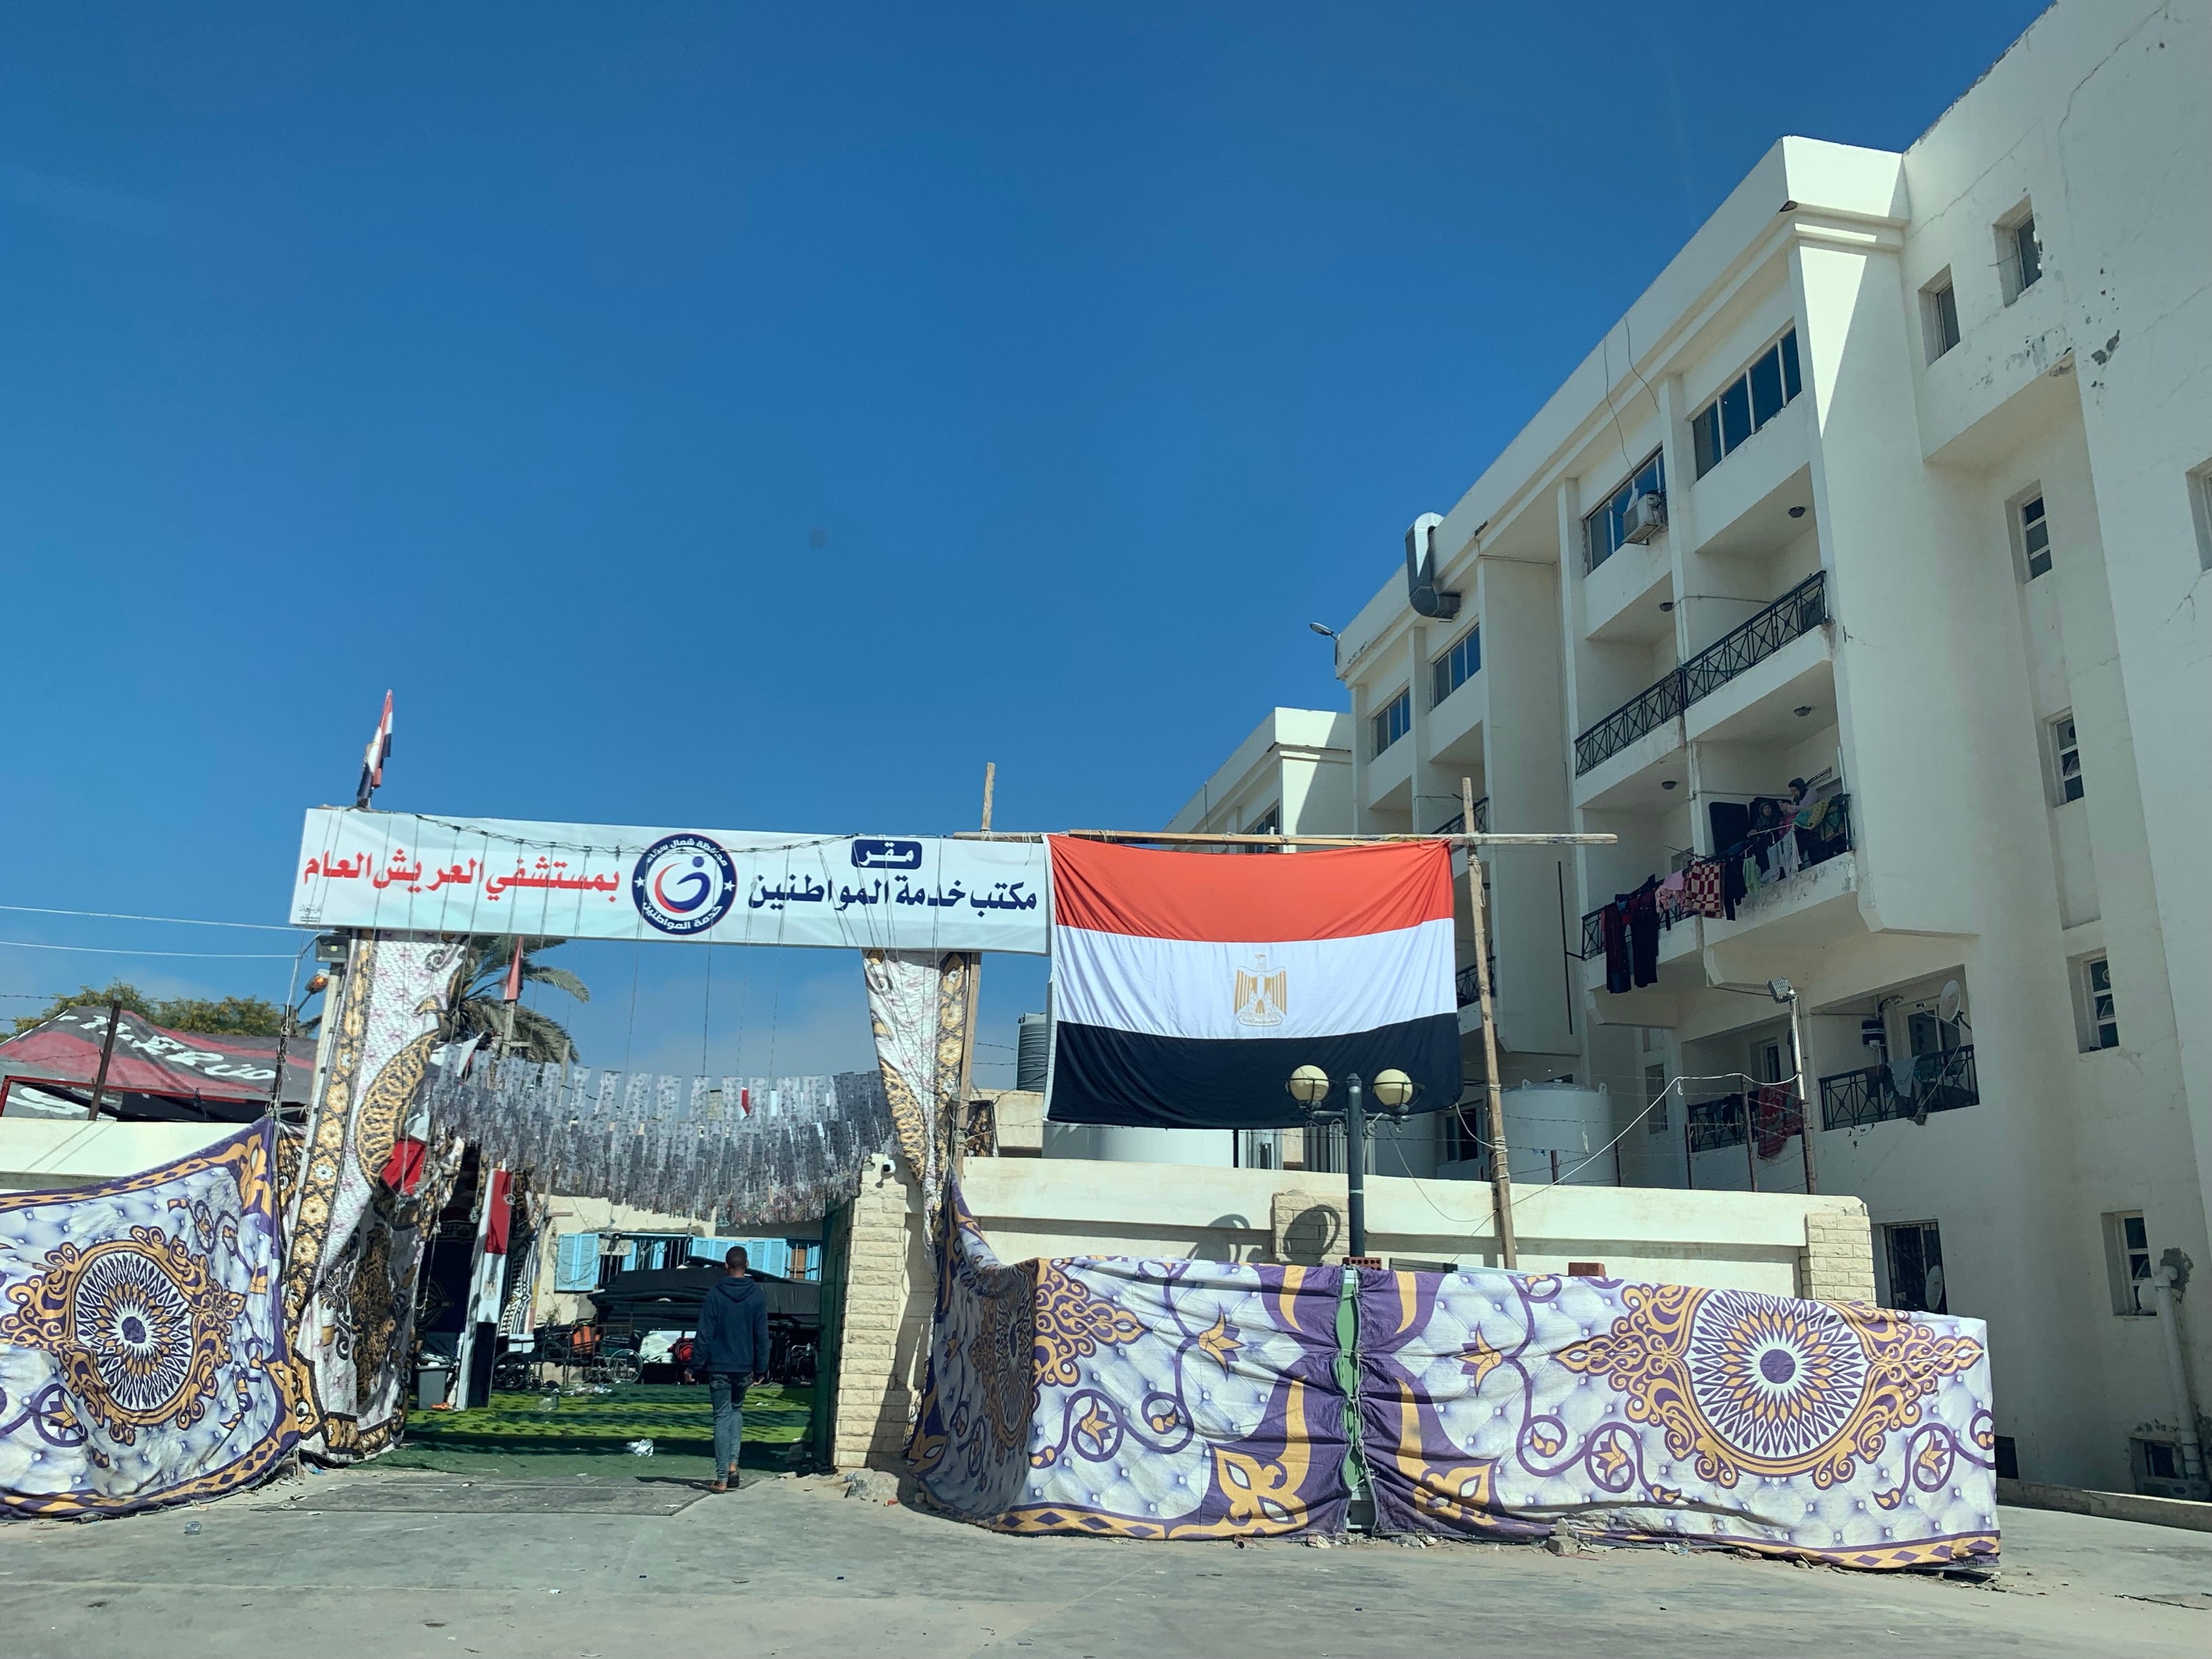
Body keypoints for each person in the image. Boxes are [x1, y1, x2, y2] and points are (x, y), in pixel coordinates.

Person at [684, 1246, 769, 1493]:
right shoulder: (757, 1295)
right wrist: (761, 1368)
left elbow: (705, 1334)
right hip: (745, 1366)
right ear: (747, 1264)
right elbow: (762, 1336)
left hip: (719, 1365)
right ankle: (733, 1465)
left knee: (722, 1417)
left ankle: (721, 1478)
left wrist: (694, 1366)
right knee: (736, 1411)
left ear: (726, 1266)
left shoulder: (715, 1294)